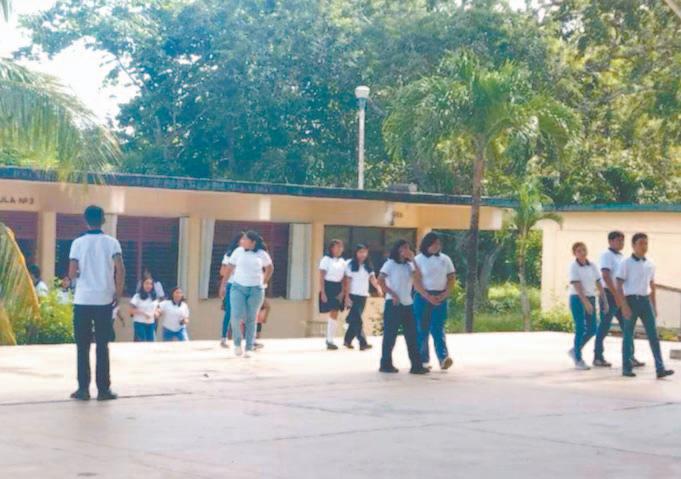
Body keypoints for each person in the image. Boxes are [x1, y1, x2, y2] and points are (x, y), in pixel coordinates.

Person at [68, 205, 125, 401]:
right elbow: (120, 269)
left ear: (85, 220)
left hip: (82, 300)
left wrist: (74, 279)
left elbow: (72, 271)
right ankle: (103, 390)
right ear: (103, 220)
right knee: (102, 345)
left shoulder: (77, 243)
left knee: (82, 345)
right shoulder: (112, 243)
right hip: (104, 299)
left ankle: (83, 389)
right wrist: (117, 293)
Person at [617, 233, 674, 379]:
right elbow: (619, 285)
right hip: (630, 300)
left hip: (645, 301)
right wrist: (624, 305)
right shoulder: (625, 263)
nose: (644, 246)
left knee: (653, 335)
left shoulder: (650, 263)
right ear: (633, 245)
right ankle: (626, 368)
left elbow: (652, 285)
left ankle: (660, 368)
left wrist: (654, 305)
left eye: (646, 243)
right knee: (628, 335)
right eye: (641, 243)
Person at [378, 239, 429, 375]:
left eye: (408, 248)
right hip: (393, 303)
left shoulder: (408, 266)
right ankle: (385, 364)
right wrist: (392, 293)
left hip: (408, 303)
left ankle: (416, 365)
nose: (407, 250)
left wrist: (413, 260)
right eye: (404, 248)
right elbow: (380, 280)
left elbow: (419, 277)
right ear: (398, 250)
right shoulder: (390, 264)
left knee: (412, 335)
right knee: (390, 335)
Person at [593, 231, 644, 368]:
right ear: (610, 241)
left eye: (623, 240)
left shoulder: (621, 257)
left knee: (628, 325)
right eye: (618, 240)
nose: (621, 243)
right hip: (609, 295)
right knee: (604, 326)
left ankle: (630, 357)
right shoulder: (606, 255)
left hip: (621, 296)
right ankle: (598, 357)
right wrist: (616, 294)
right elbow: (605, 275)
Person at [224, 231, 273, 358]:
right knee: (236, 315)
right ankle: (237, 343)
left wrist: (264, 281)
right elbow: (229, 268)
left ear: (252, 242)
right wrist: (224, 284)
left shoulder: (261, 254)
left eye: (245, 239)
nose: (242, 241)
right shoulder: (238, 252)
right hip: (238, 287)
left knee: (251, 318)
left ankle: (249, 347)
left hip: (256, 289)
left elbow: (269, 268)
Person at [413, 232, 455, 371]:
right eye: (434, 243)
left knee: (438, 327)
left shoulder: (445, 259)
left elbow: (451, 278)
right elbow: (416, 281)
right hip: (423, 296)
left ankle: (443, 358)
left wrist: (445, 294)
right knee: (422, 329)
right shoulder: (418, 260)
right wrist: (426, 295)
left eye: (439, 243)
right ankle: (423, 360)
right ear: (427, 244)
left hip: (440, 295)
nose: (437, 246)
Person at [567, 242, 609, 371]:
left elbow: (599, 283)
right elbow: (577, 285)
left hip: (591, 297)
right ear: (574, 253)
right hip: (577, 298)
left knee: (592, 329)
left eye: (584, 250)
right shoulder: (573, 266)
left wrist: (605, 300)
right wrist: (585, 302)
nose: (582, 253)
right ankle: (578, 359)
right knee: (580, 327)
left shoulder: (592, 265)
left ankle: (575, 349)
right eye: (579, 251)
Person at [343, 244, 381, 350]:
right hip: (353, 295)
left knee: (355, 319)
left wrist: (378, 288)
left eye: (365, 252)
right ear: (356, 253)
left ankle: (347, 340)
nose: (362, 254)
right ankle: (363, 342)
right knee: (358, 320)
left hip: (363, 295)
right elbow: (347, 281)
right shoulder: (350, 265)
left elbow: (373, 279)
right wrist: (347, 297)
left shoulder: (368, 265)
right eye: (360, 252)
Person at [218, 232, 246, 348]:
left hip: (244, 285)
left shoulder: (248, 254)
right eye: (243, 239)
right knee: (229, 311)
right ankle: (224, 338)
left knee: (246, 312)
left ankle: (246, 339)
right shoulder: (229, 255)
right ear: (238, 241)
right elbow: (222, 271)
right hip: (232, 284)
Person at [319, 239, 347, 350]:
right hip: (328, 286)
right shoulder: (326, 260)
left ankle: (330, 339)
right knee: (331, 311)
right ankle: (329, 338)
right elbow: (321, 276)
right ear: (331, 248)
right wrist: (323, 292)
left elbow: (344, 278)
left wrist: (343, 291)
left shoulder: (342, 262)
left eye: (341, 247)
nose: (340, 249)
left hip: (338, 287)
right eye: (337, 247)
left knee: (335, 312)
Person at [129, 277, 160, 342]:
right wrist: (144, 313)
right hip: (139, 323)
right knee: (141, 342)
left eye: (151, 284)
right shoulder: (137, 296)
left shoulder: (154, 297)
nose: (149, 286)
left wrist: (156, 313)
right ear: (142, 284)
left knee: (150, 342)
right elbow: (131, 310)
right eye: (147, 283)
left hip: (151, 323)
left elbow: (157, 309)